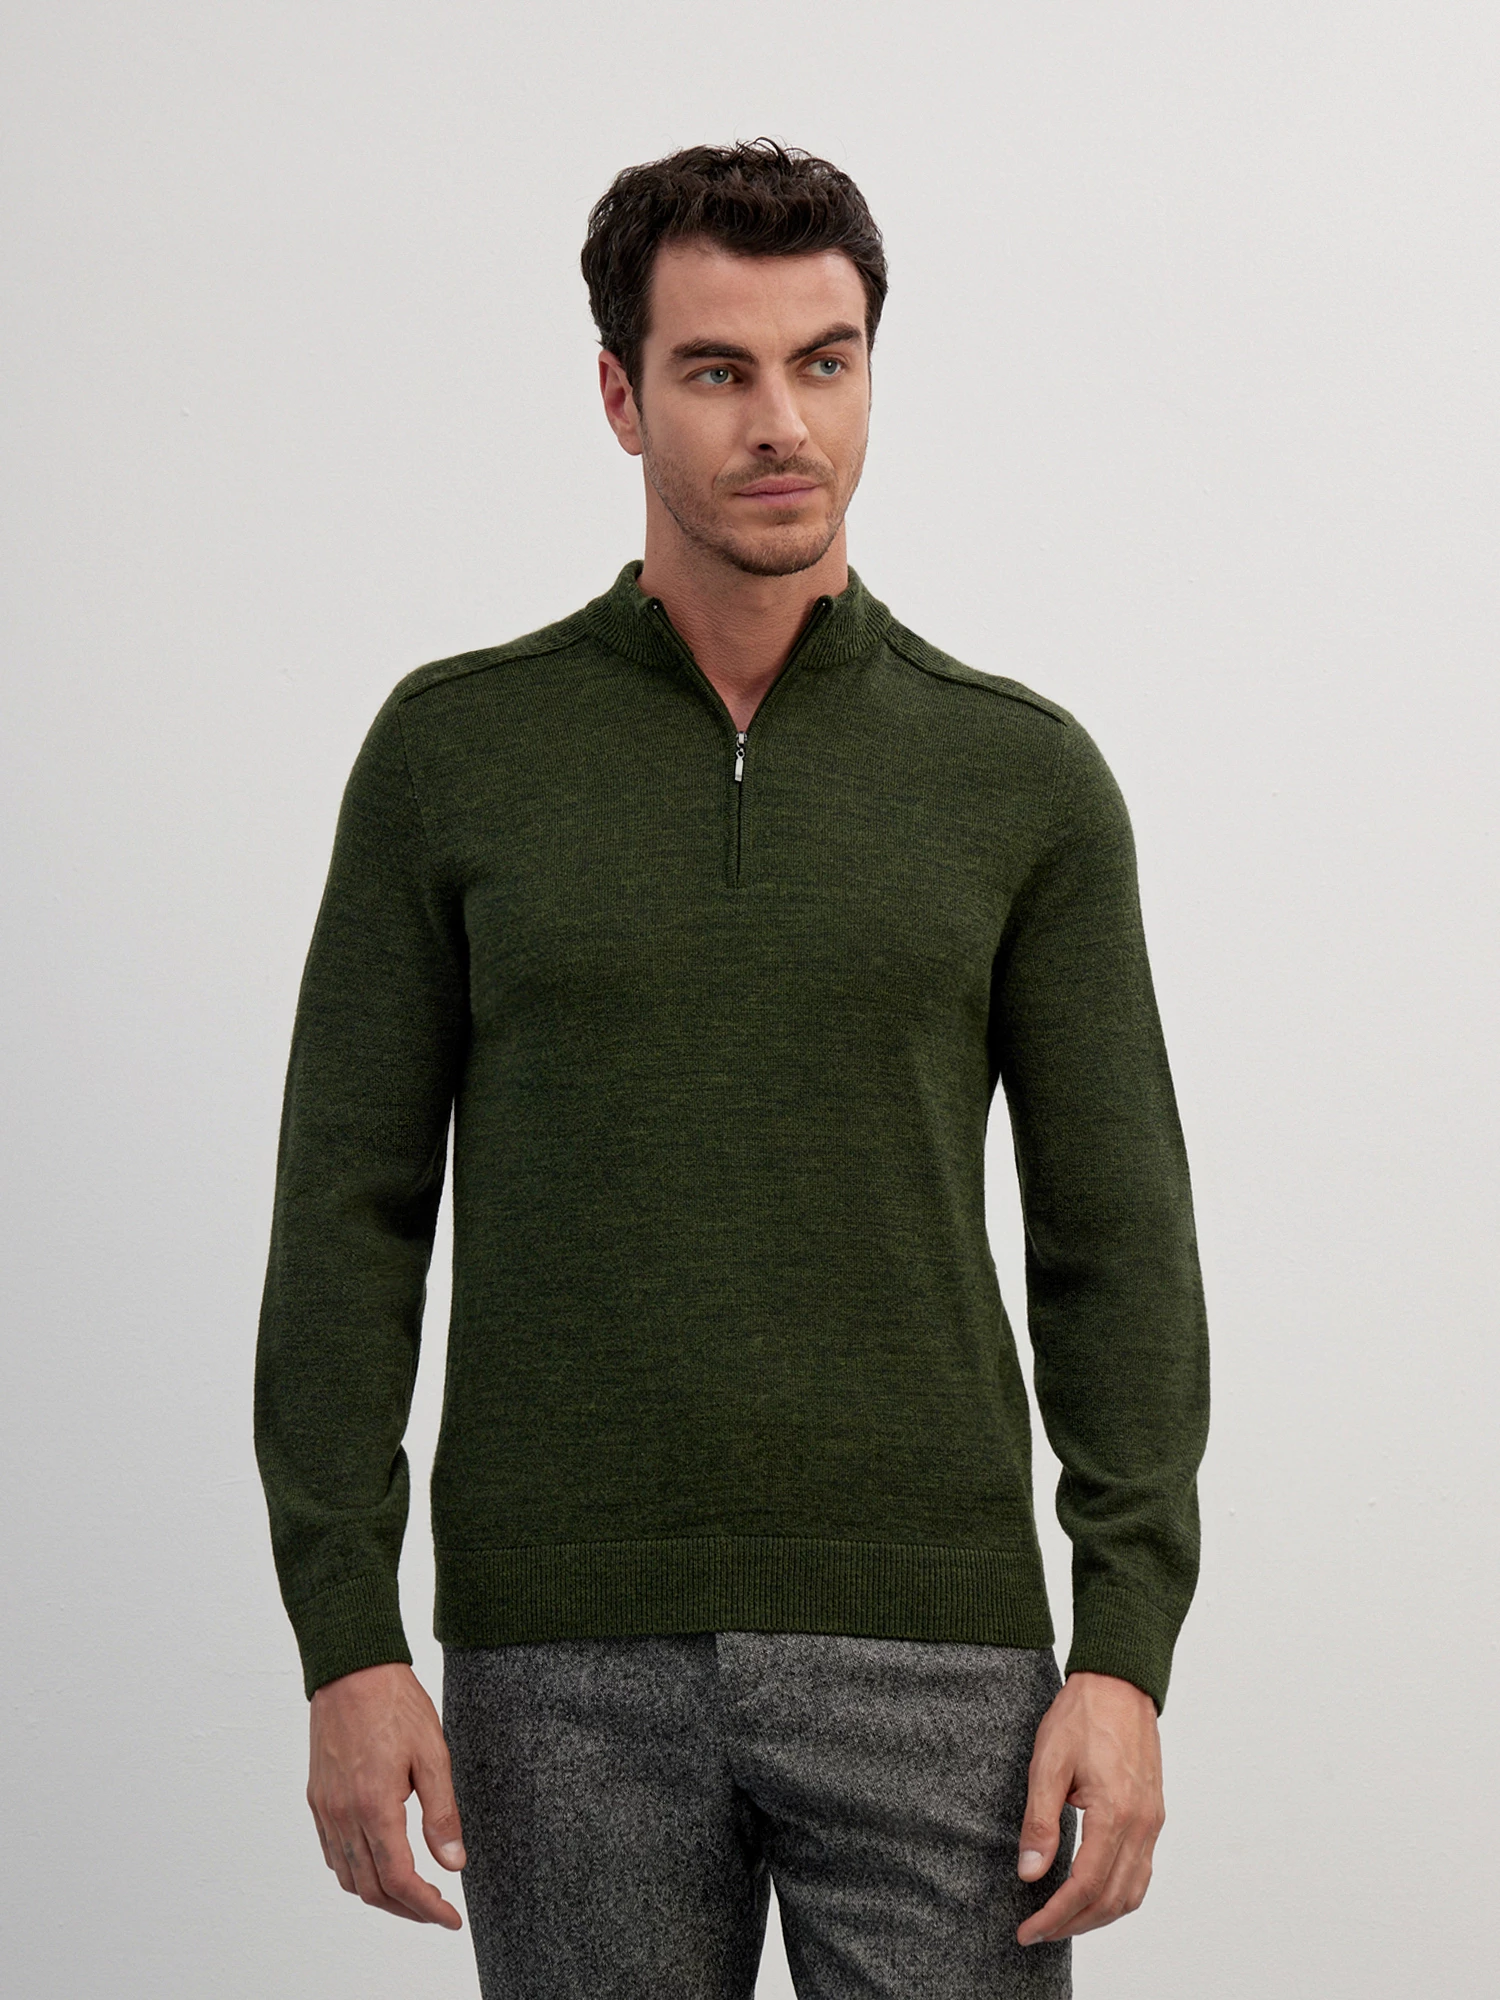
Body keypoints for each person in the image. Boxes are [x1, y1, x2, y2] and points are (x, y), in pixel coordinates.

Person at [254, 138, 1210, 1999]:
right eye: (717, 370)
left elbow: (1120, 1248)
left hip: (940, 1660)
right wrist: (345, 1636)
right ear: (621, 397)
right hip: (561, 1661)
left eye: (824, 362)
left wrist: (1126, 1649)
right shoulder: (454, 755)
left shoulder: (1021, 777)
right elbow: (346, 1220)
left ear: (869, 375)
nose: (782, 422)